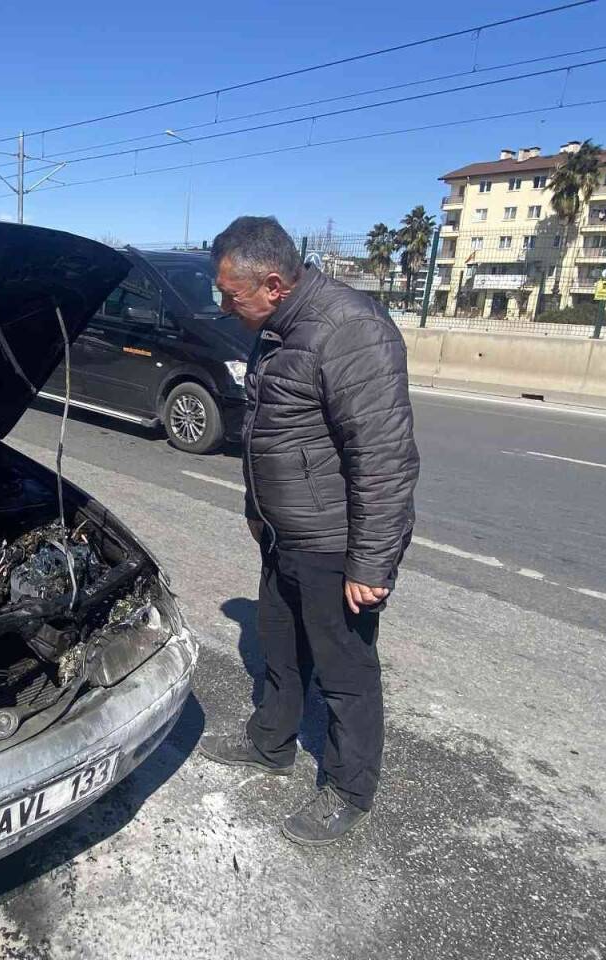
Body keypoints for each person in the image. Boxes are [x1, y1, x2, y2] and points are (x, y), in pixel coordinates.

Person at [197, 215, 419, 846]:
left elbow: (383, 458)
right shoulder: (274, 330)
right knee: (279, 648)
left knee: (345, 673)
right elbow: (268, 430)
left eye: (231, 295)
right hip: (282, 534)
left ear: (272, 283)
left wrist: (371, 564)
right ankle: (272, 745)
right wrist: (254, 506)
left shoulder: (350, 331)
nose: (224, 306)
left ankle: (349, 789)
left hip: (332, 544)